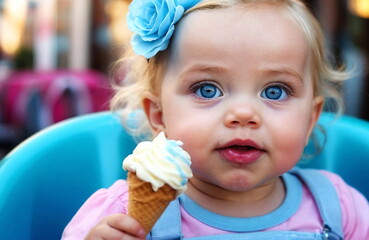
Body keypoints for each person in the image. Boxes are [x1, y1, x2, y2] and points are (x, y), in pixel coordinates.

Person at [62, 0, 369, 239]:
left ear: (311, 119)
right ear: (159, 115)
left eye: (275, 91)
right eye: (207, 89)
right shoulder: (120, 217)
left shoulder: (340, 209)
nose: (243, 114)